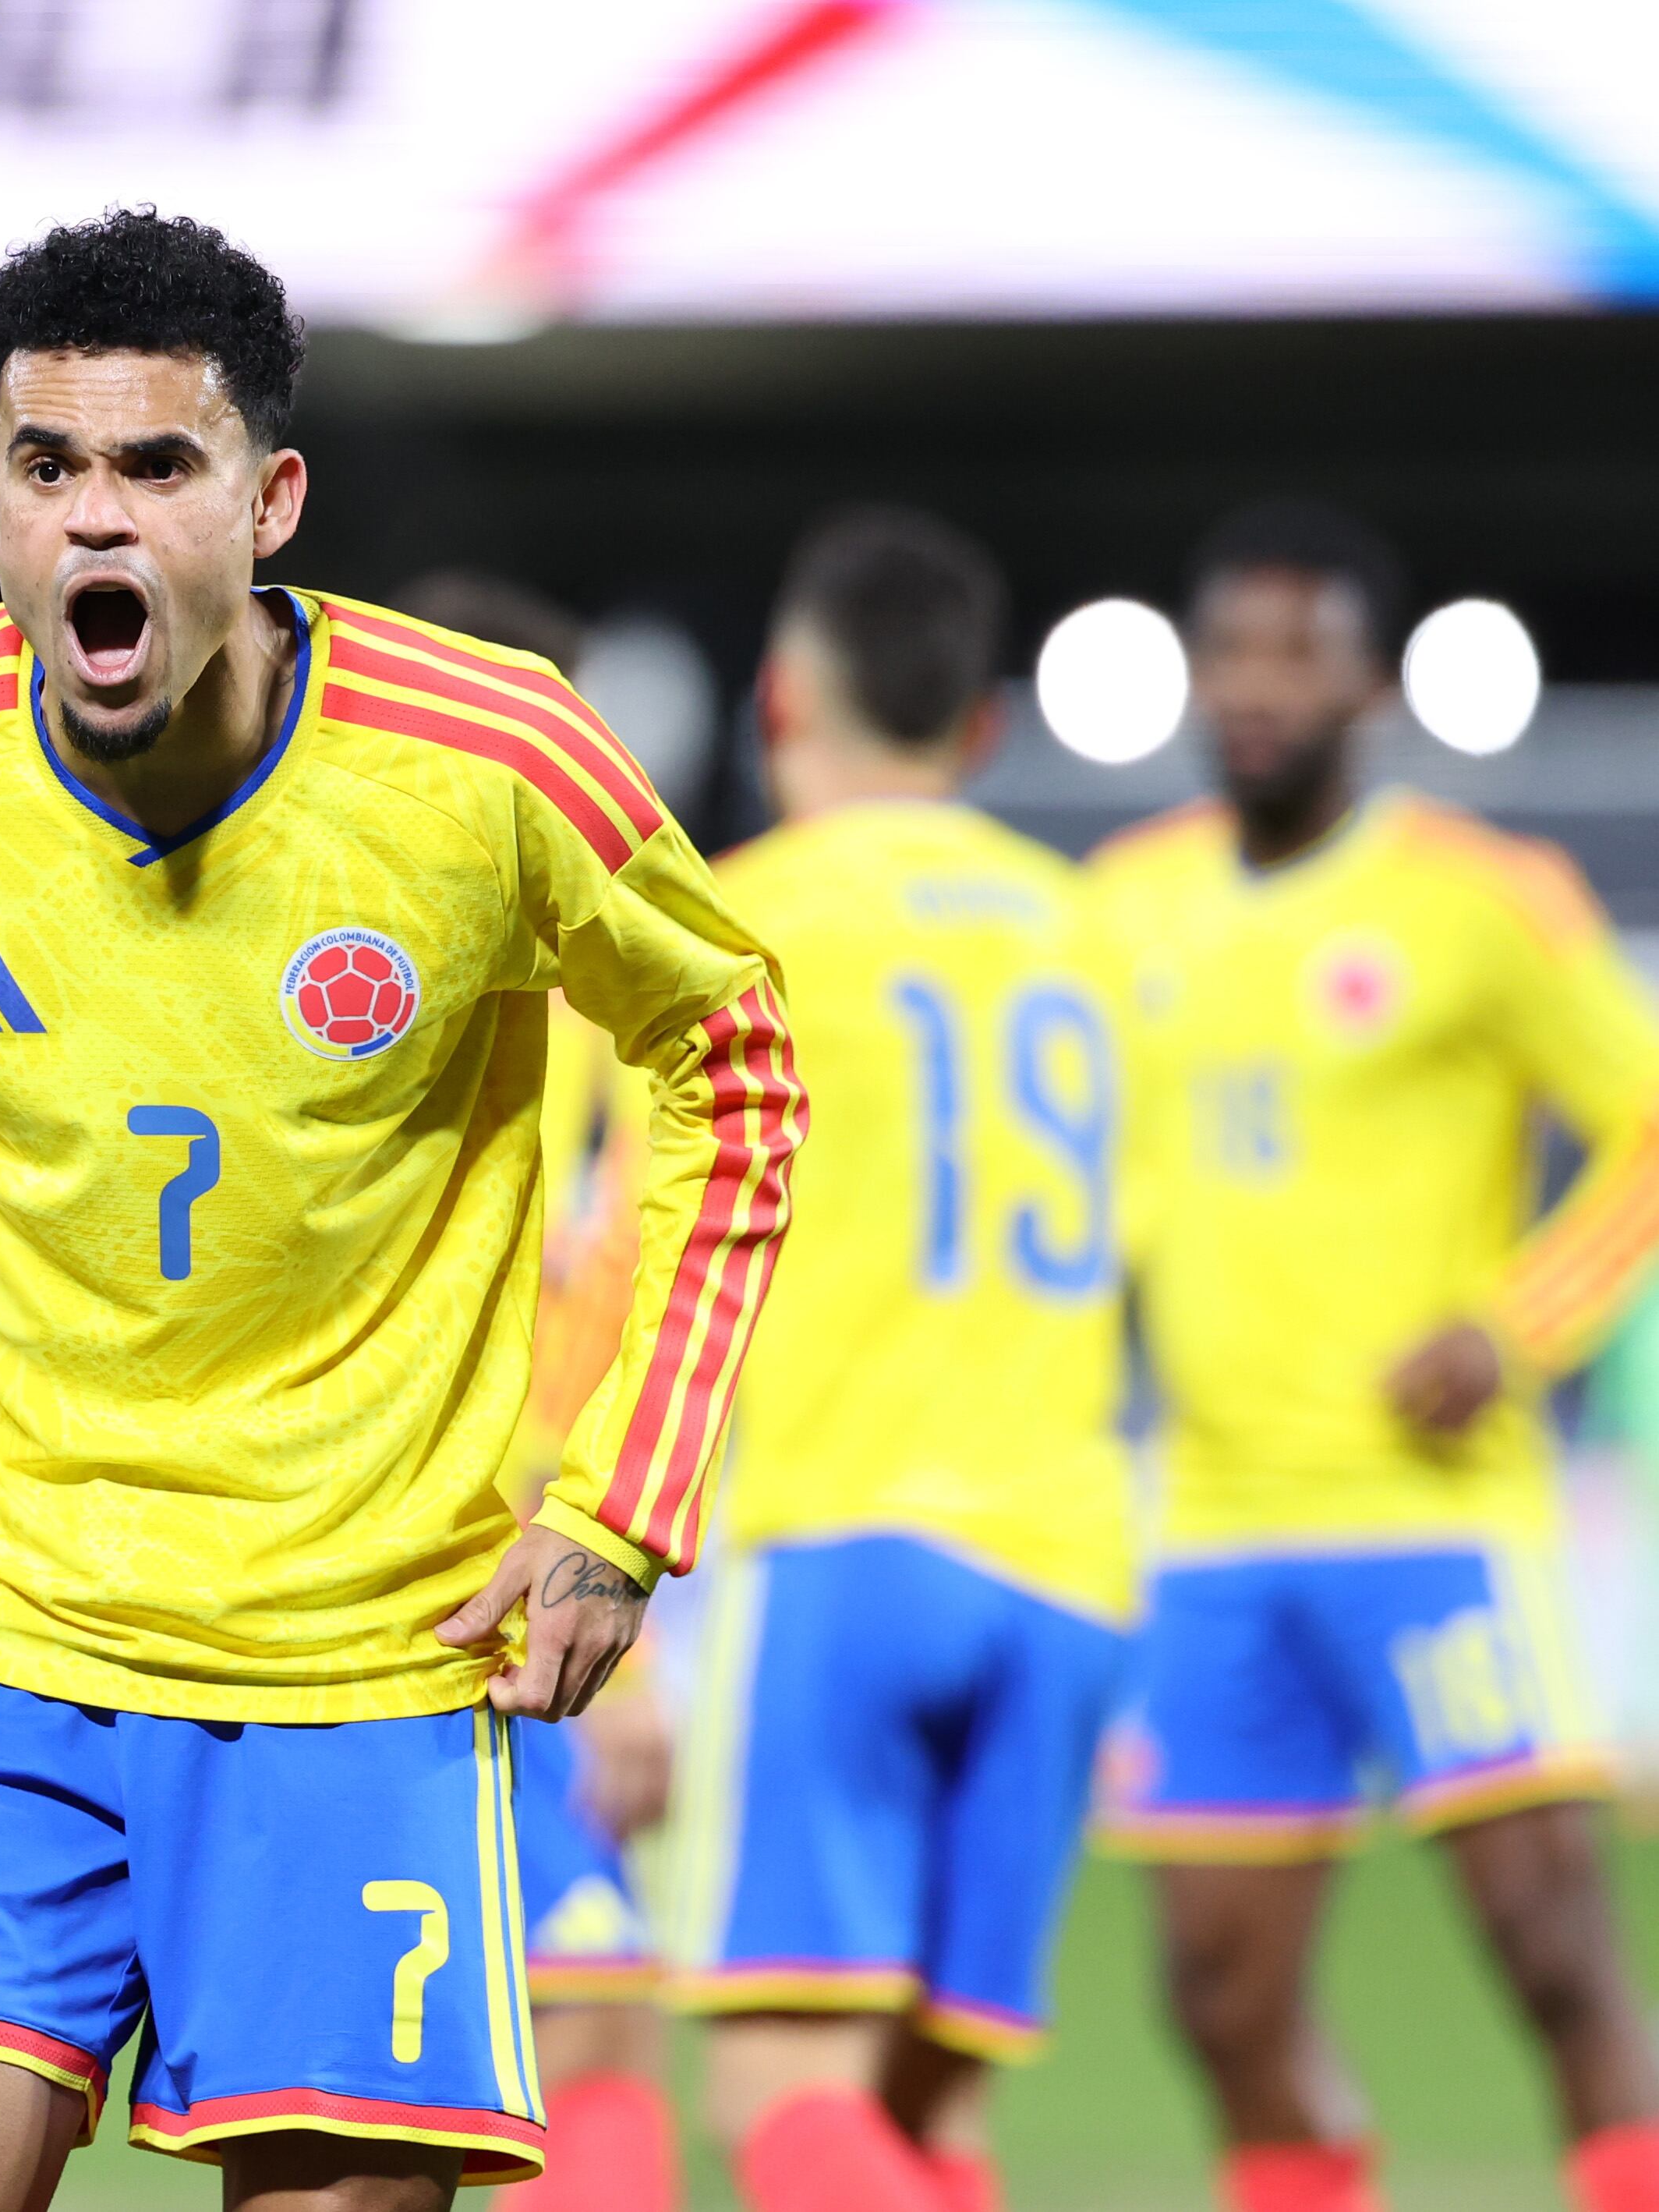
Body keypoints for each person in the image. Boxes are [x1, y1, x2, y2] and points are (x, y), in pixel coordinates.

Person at [0, 208, 805, 2212]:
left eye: (158, 468)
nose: (97, 526)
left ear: (272, 498)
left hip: (359, 1654)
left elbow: (734, 1067)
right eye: (49, 471)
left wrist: (624, 1509)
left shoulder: (489, 767)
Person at [1091, 500, 1659, 2212]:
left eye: (1300, 654)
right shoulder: (1123, 906)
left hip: (1436, 1523)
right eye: (1233, 651)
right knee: (1218, 1994)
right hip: (1209, 1522)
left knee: (1552, 1949)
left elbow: (1647, 1132)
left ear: (1376, 690)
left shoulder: (1489, 900)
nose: (1259, 688)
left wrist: (1518, 1327)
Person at [661, 508, 1133, 2212]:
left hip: (855, 1539)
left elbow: (602, 1252)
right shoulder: (1090, 930)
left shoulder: (738, 920)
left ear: (781, 699)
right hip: (1073, 1567)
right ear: (981, 729)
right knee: (929, 2118)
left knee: (782, 2091)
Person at [397, 571, 683, 2212]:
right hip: (491, 1596)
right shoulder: (600, 1013)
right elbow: (603, 1322)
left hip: (392, 1579)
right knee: (579, 2045)